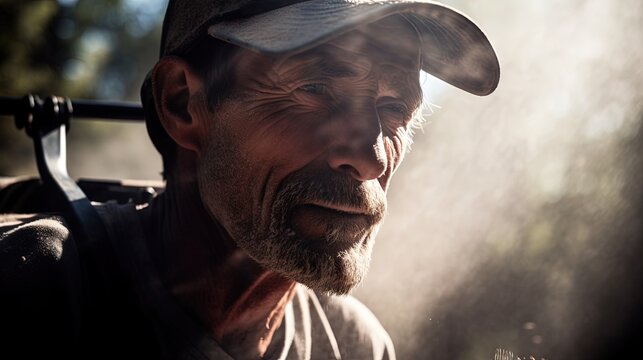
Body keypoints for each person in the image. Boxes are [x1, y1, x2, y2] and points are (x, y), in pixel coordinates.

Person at [0, 0, 499, 359]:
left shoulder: (355, 345)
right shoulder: (36, 290)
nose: (370, 157)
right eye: (316, 88)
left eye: (395, 109)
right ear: (182, 103)